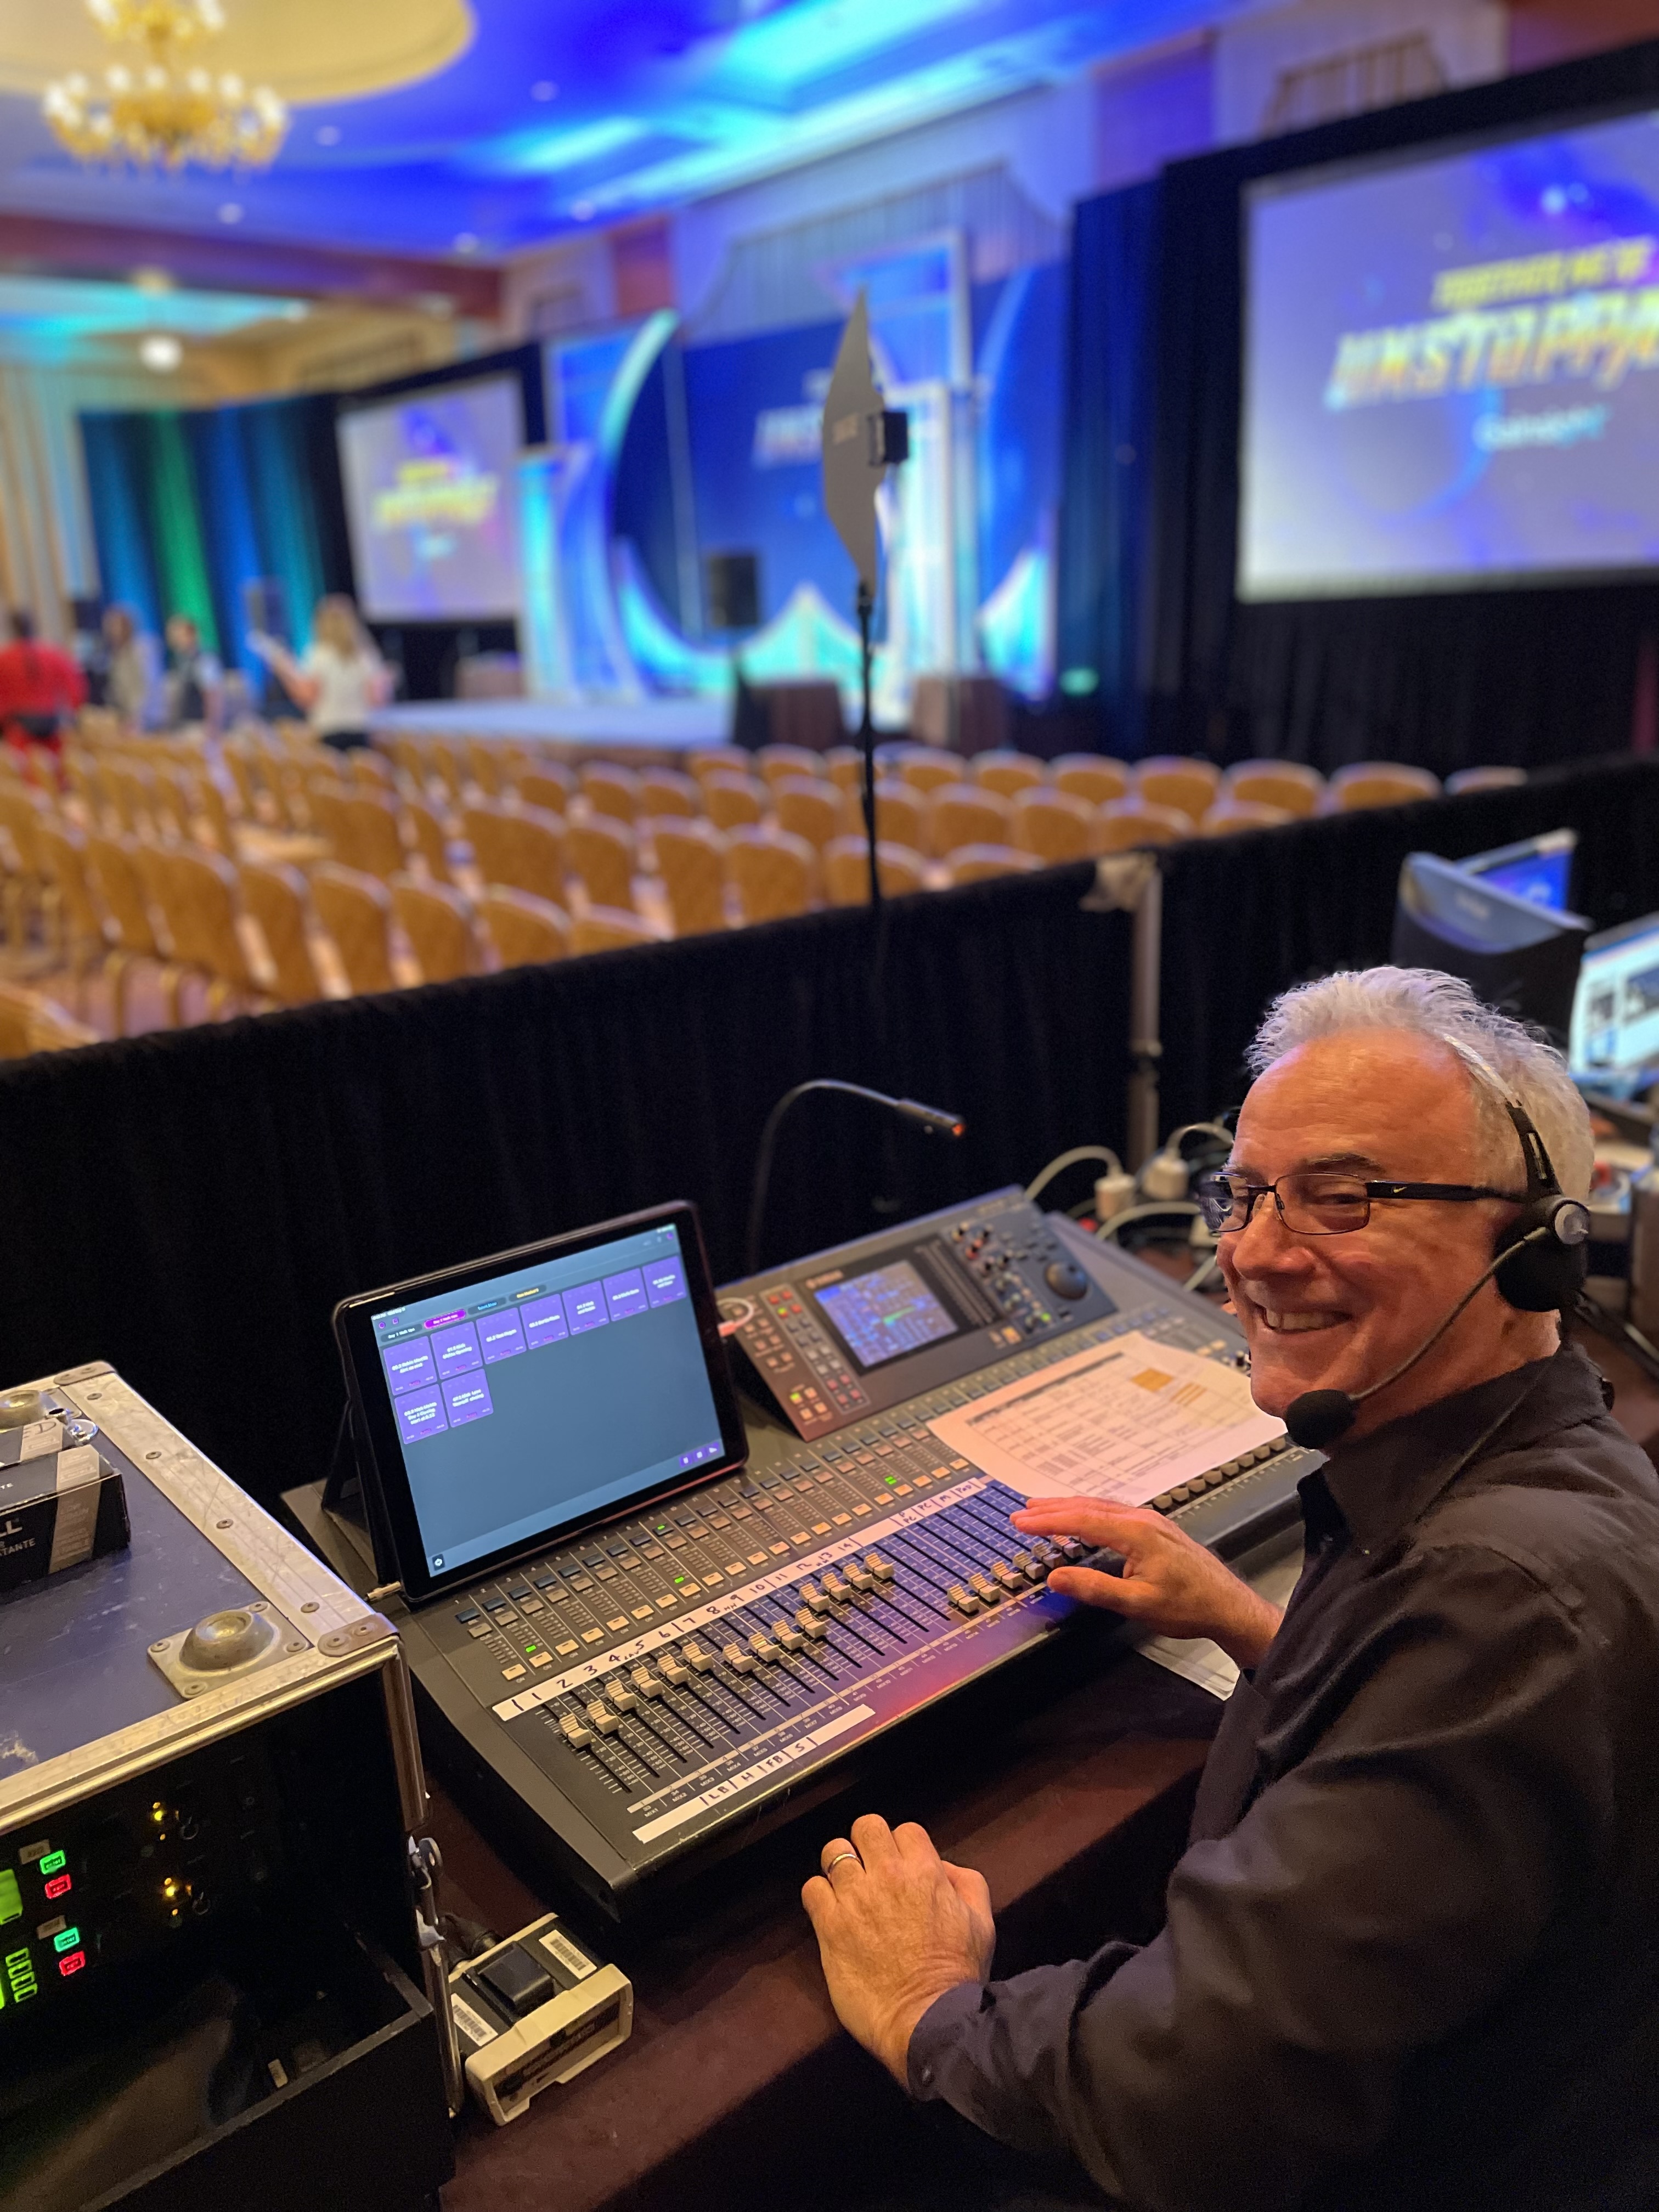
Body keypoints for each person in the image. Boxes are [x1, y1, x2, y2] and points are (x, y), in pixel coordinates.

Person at [803, 967, 1659, 2212]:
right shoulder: (1562, 1463)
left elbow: (1186, 2102)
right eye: (1246, 1193)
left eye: (1342, 1198)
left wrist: (927, 2008)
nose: (1253, 1252)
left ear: (1530, 1247)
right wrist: (1269, 1632)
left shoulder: (1497, 1605)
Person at [250, 595, 391, 754]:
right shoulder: (365, 655)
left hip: (329, 731)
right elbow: (377, 700)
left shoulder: (318, 655)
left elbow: (307, 698)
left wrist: (285, 673)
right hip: (361, 731)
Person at [0, 608, 86, 758]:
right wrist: (71, 715)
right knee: (53, 766)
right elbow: (76, 689)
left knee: (25, 767)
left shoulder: (4, 659)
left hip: (19, 731)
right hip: (52, 727)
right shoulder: (53, 654)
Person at [100, 605, 162, 730]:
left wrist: (137, 717)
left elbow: (149, 686)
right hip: (128, 717)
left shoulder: (142, 649)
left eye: (116, 626)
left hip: (149, 719)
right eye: (110, 627)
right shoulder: (117, 654)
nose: (112, 631)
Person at [161, 614, 222, 732]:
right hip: (184, 724)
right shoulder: (182, 661)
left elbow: (212, 696)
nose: (175, 639)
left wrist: (212, 728)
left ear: (191, 635)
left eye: (179, 635)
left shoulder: (204, 661)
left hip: (199, 726)